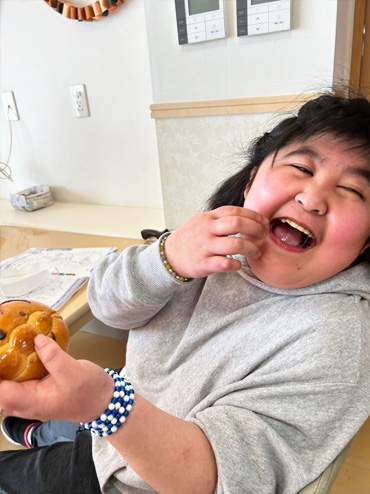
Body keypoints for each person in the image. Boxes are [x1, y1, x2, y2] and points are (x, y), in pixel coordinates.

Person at [1, 91, 370, 494]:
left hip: (135, 477)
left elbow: (221, 479)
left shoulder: (338, 339)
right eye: (301, 167)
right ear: (250, 183)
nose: (312, 198)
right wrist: (165, 258)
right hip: (118, 420)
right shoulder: (201, 246)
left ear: (367, 242)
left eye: (353, 191)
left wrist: (105, 406)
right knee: (75, 428)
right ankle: (52, 433)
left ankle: (62, 433)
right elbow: (105, 306)